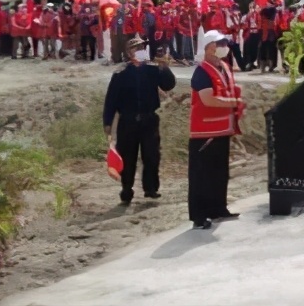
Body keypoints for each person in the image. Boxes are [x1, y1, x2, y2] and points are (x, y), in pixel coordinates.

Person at [103, 36, 176, 204]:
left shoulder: (152, 70)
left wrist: (164, 66)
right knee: (127, 157)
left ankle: (151, 189)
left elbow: (169, 85)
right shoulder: (121, 73)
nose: (141, 50)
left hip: (149, 119)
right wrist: (107, 122)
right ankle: (126, 189)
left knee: (151, 155)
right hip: (127, 121)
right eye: (137, 48)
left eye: (143, 47)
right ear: (129, 52)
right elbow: (111, 100)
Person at [187, 30, 243, 229]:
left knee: (219, 173)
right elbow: (208, 99)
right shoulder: (202, 71)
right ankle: (199, 216)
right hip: (205, 132)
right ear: (209, 46)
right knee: (201, 175)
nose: (224, 46)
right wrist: (234, 102)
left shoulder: (225, 67)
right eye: (220, 43)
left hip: (222, 130)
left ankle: (218, 208)